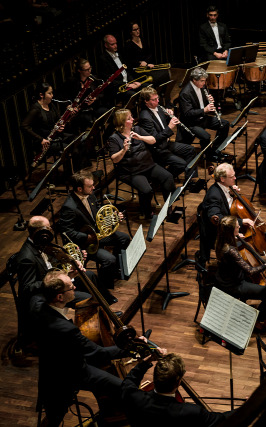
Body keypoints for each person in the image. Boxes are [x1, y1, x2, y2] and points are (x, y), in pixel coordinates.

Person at [29, 270, 131, 426]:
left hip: (49, 369)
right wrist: (131, 348)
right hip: (72, 374)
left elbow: (39, 290)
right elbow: (99, 352)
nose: (75, 287)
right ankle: (114, 417)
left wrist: (70, 274)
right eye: (71, 287)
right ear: (60, 297)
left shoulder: (36, 303)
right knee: (123, 387)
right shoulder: (66, 329)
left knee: (54, 417)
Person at [14, 216, 93, 345]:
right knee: (87, 299)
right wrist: (58, 281)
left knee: (89, 281)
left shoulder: (43, 244)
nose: (51, 230)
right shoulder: (26, 257)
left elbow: (53, 265)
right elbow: (28, 287)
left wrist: (72, 264)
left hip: (54, 288)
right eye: (48, 228)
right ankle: (76, 336)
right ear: (41, 232)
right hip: (42, 297)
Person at [198, 162, 266, 266]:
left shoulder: (225, 187)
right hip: (219, 231)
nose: (235, 178)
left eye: (234, 175)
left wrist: (232, 194)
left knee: (259, 232)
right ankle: (251, 267)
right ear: (222, 179)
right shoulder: (213, 195)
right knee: (251, 236)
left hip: (231, 222)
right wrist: (241, 221)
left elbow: (229, 206)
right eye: (232, 177)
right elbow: (218, 219)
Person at [57, 170, 131, 304]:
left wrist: (113, 218)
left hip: (97, 235)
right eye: (90, 186)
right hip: (85, 244)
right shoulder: (69, 207)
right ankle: (103, 289)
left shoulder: (90, 196)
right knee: (109, 259)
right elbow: (67, 233)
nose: (93, 188)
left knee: (124, 238)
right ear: (79, 189)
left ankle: (115, 270)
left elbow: (97, 213)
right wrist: (87, 237)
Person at [121, 353, 234, 426]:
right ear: (179, 382)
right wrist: (248, 405)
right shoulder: (192, 412)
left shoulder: (134, 397)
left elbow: (128, 381)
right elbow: (222, 419)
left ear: (154, 379)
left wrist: (147, 361)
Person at [107, 108, 176, 219]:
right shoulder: (114, 139)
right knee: (146, 190)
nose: (133, 119)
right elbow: (115, 159)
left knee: (168, 177)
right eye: (129, 118)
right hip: (131, 172)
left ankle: (168, 206)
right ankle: (147, 213)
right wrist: (124, 150)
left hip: (148, 165)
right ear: (122, 123)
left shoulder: (137, 129)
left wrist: (140, 137)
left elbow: (153, 140)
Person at [214, 216, 266, 327]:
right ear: (231, 231)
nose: (239, 226)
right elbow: (250, 271)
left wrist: (235, 237)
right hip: (233, 284)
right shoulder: (231, 251)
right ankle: (258, 320)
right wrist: (265, 266)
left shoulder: (221, 240)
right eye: (237, 227)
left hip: (224, 277)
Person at [20, 81, 81, 171]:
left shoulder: (51, 105)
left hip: (55, 136)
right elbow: (23, 126)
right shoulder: (35, 109)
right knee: (71, 149)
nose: (52, 95)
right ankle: (72, 176)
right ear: (41, 95)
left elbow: (58, 122)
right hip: (45, 141)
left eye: (52, 93)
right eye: (49, 93)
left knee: (78, 140)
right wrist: (40, 139)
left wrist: (69, 116)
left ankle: (79, 172)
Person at [138, 86, 197, 178]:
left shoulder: (159, 108)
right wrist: (170, 127)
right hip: (158, 149)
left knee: (191, 150)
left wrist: (168, 115)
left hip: (166, 143)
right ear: (146, 101)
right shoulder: (145, 117)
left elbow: (161, 124)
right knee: (181, 164)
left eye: (157, 98)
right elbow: (156, 139)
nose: (158, 101)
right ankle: (164, 178)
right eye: (154, 100)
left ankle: (190, 180)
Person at [178, 66, 230, 160]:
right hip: (191, 123)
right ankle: (209, 156)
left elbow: (201, 104)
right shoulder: (185, 93)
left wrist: (208, 100)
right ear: (194, 80)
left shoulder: (201, 86)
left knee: (225, 124)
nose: (204, 83)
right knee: (206, 137)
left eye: (205, 80)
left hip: (202, 118)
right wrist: (204, 110)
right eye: (202, 81)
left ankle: (216, 150)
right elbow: (187, 113)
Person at [61, 58, 108, 134]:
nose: (90, 71)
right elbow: (62, 97)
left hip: (93, 107)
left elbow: (102, 94)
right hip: (80, 111)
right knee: (91, 121)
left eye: (90, 68)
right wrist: (69, 106)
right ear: (79, 71)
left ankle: (105, 138)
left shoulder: (93, 79)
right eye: (87, 70)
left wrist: (95, 99)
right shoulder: (71, 81)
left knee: (110, 114)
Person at [97, 34, 143, 105]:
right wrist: (126, 85)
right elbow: (109, 79)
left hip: (127, 83)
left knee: (145, 88)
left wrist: (133, 82)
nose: (115, 46)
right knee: (134, 95)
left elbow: (126, 71)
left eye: (116, 43)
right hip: (117, 87)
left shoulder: (119, 53)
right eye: (112, 44)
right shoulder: (103, 59)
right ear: (106, 45)